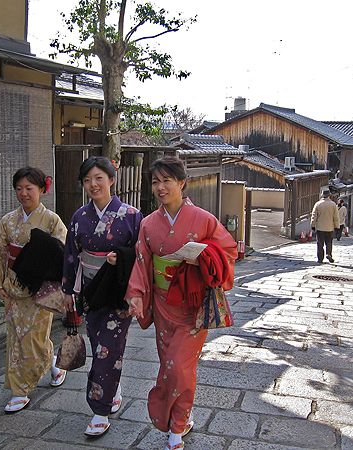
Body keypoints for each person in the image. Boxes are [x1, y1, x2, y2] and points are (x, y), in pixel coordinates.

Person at [126, 156, 237, 450]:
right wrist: (136, 294)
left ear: (182, 183)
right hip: (163, 305)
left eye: (167, 180)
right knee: (169, 365)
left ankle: (175, 426)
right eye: (155, 181)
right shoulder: (149, 224)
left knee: (178, 366)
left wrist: (203, 254)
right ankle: (180, 418)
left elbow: (228, 250)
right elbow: (142, 262)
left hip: (193, 304)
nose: (160, 187)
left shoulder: (203, 219)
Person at [62, 156, 143, 437]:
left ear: (112, 180)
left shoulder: (131, 215)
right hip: (90, 291)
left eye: (99, 178)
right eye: (87, 180)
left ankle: (100, 409)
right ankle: (113, 386)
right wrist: (68, 291)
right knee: (101, 347)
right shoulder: (79, 217)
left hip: (118, 291)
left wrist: (120, 259)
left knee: (108, 349)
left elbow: (140, 255)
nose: (93, 184)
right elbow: (71, 255)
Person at [0, 167, 68, 414]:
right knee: (16, 339)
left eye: (29, 188)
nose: (24, 193)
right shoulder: (8, 221)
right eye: (19, 189)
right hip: (13, 287)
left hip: (38, 289)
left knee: (32, 338)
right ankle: (48, 367)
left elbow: (62, 252)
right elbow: (0, 252)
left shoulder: (52, 220)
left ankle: (22, 389)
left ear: (42, 190)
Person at [310, 190, 340, 263]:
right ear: (329, 195)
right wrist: (337, 226)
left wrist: (313, 225)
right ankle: (328, 253)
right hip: (329, 227)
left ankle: (320, 258)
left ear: (322, 195)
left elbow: (314, 216)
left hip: (320, 227)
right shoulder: (333, 205)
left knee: (320, 243)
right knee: (329, 242)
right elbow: (336, 217)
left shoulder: (318, 204)